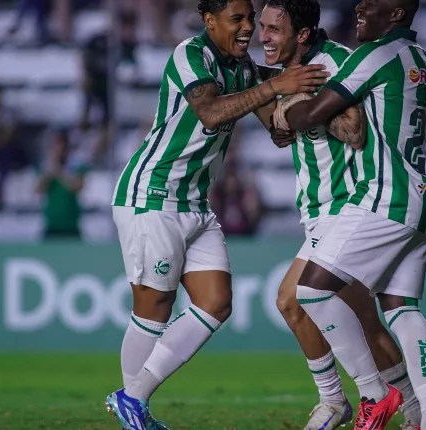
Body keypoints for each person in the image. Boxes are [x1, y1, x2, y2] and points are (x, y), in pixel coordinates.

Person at [103, 0, 329, 428]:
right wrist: (276, 88)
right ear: (210, 21)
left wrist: (306, 107)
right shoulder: (191, 55)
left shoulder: (242, 68)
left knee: (216, 303)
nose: (248, 29)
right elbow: (209, 111)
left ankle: (132, 400)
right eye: (238, 19)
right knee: (154, 307)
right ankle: (134, 410)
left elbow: (277, 132)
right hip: (152, 195)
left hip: (195, 202)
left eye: (250, 20)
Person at [276, 0, 426, 428]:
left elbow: (315, 115)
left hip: (385, 196)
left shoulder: (375, 55)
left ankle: (373, 393)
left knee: (311, 292)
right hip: (424, 195)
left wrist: (285, 104)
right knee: (401, 310)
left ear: (396, 14)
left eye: (374, 3)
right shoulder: (420, 59)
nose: (360, 7)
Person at [36, 130, 88, 239]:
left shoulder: (75, 165)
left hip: (71, 225)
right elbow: (38, 190)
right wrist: (49, 172)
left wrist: (58, 171)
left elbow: (77, 187)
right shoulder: (45, 166)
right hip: (52, 224)